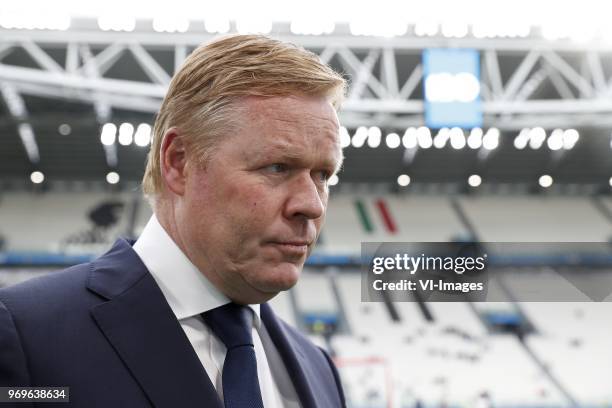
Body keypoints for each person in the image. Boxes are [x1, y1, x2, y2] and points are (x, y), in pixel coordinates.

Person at [0, 34, 347, 407]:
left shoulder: (319, 368)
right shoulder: (25, 334)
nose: (311, 204)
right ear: (178, 162)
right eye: (278, 167)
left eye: (323, 175)